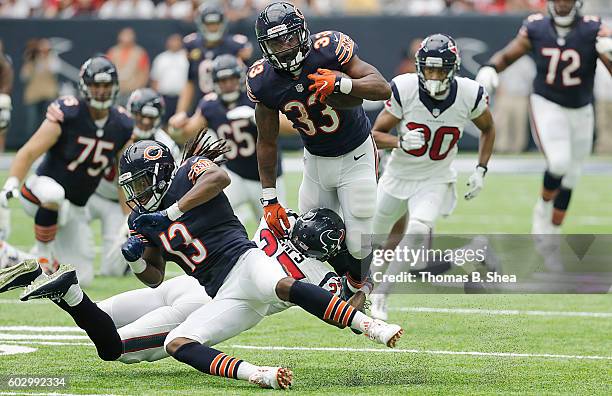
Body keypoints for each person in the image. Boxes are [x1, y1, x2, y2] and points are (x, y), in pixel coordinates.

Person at [0, 208, 345, 391]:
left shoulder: (275, 228)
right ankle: (68, 289)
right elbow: (331, 306)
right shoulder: (320, 277)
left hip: (190, 282)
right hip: (207, 304)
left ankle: (40, 275)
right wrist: (360, 291)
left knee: (98, 314)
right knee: (113, 347)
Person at [247, 2, 391, 303]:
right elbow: (267, 140)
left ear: (302, 34)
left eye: (288, 37)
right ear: (264, 46)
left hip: (356, 154)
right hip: (315, 161)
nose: (284, 47)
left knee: (358, 241)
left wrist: (342, 82)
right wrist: (270, 199)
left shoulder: (329, 49)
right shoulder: (263, 81)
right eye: (275, 41)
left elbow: (382, 88)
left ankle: (359, 285)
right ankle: (351, 284)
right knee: (305, 237)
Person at [368, 34, 495, 320]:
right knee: (369, 239)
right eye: (429, 69)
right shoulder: (404, 87)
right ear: (419, 67)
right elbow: (374, 134)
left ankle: (381, 296)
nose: (434, 76)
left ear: (453, 68)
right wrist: (399, 142)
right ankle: (364, 285)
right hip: (397, 175)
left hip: (436, 178)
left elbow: (488, 128)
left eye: (440, 70)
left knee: (418, 229)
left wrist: (481, 169)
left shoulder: (469, 93)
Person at [476, 0, 612, 234]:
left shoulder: (593, 28)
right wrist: (490, 67)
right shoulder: (536, 27)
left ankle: (553, 231)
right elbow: (509, 55)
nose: (562, 4)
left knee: (572, 176)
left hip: (581, 108)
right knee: (559, 162)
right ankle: (542, 210)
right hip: (547, 103)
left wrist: (609, 52)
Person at [0, 56, 133, 285]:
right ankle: (43, 255)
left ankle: (13, 259)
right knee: (55, 195)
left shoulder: (122, 124)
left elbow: (123, 176)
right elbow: (29, 151)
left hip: (77, 207)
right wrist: (12, 182)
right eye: (95, 85)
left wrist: (127, 216)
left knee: (82, 278)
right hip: (40, 191)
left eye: (105, 85)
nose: (101, 91)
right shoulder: (69, 113)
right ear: (84, 86)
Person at [172, 54, 288, 222]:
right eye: (223, 80)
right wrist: (176, 127)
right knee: (207, 215)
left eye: (232, 79)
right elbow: (188, 134)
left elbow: (290, 127)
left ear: (240, 78)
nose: (228, 85)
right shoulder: (210, 105)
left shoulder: (255, 97)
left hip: (268, 177)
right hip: (235, 174)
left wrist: (257, 118)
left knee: (277, 226)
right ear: (214, 82)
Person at [87, 88, 180, 276]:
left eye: (150, 117)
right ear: (131, 113)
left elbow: (169, 186)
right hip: (90, 193)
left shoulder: (165, 145)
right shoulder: (115, 129)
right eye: (140, 116)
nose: (145, 122)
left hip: (124, 204)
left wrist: (132, 216)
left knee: (113, 269)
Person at [173, 3, 253, 117]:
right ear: (201, 24)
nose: (213, 27)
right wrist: (180, 112)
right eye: (209, 24)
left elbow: (247, 80)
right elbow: (190, 81)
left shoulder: (236, 45)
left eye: (216, 23)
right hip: (204, 105)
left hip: (234, 104)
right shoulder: (192, 44)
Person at [20, 38, 60, 140]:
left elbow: (54, 70)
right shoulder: (32, 60)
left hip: (48, 95)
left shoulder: (53, 59)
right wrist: (29, 61)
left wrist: (46, 58)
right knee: (32, 124)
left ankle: (47, 143)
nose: (43, 51)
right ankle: (31, 144)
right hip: (33, 96)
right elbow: (24, 77)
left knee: (48, 122)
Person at [150, 34, 189, 126]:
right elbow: (155, 80)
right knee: (163, 124)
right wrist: (156, 98)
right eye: (172, 41)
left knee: (181, 123)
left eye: (177, 40)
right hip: (164, 97)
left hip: (182, 97)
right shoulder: (161, 58)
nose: (174, 43)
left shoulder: (186, 57)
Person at [106, 28, 150, 106]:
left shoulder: (139, 53)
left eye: (129, 35)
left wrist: (138, 88)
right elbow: (107, 69)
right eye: (124, 35)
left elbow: (144, 73)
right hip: (117, 91)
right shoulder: (113, 52)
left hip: (132, 91)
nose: (127, 38)